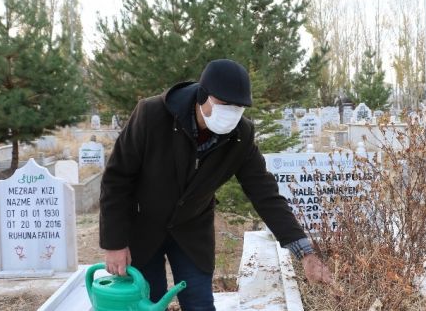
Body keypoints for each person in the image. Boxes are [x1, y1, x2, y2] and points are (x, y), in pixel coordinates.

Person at [99, 59, 331, 310]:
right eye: (224, 105)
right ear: (202, 97)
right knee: (148, 301)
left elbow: (264, 192)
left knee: (199, 303)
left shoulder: (240, 135)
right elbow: (117, 179)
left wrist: (304, 252)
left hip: (192, 231)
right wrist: (114, 243)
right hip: (143, 227)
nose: (231, 113)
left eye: (238, 107)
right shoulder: (151, 115)